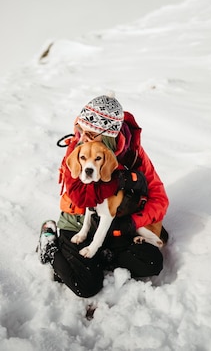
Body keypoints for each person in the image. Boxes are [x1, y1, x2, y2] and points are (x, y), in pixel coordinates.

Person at [37, 94, 169, 298]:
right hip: (77, 222)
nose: (83, 137)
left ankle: (98, 257)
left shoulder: (134, 154)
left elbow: (160, 200)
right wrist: (114, 180)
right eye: (82, 130)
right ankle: (51, 244)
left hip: (116, 225)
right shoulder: (78, 151)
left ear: (109, 135)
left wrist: (132, 223)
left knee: (151, 263)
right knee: (86, 286)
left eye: (91, 134)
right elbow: (82, 198)